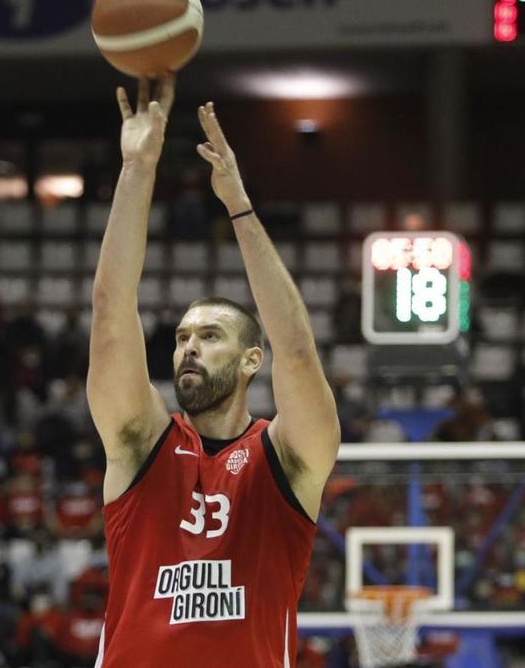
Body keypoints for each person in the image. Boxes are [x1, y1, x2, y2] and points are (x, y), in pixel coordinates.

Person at [86, 76, 340, 666]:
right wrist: (138, 168)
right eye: (180, 338)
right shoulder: (140, 440)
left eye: (209, 335)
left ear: (254, 360)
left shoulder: (289, 458)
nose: (188, 349)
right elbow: (109, 310)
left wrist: (239, 207)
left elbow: (298, 351)